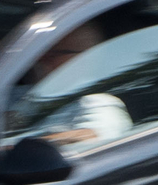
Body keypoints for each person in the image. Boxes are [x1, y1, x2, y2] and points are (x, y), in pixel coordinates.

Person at [13, 20, 132, 151]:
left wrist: (15, 149)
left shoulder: (98, 103)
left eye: (56, 53)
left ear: (84, 59)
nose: (42, 58)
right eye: (43, 50)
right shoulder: (17, 93)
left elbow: (93, 136)